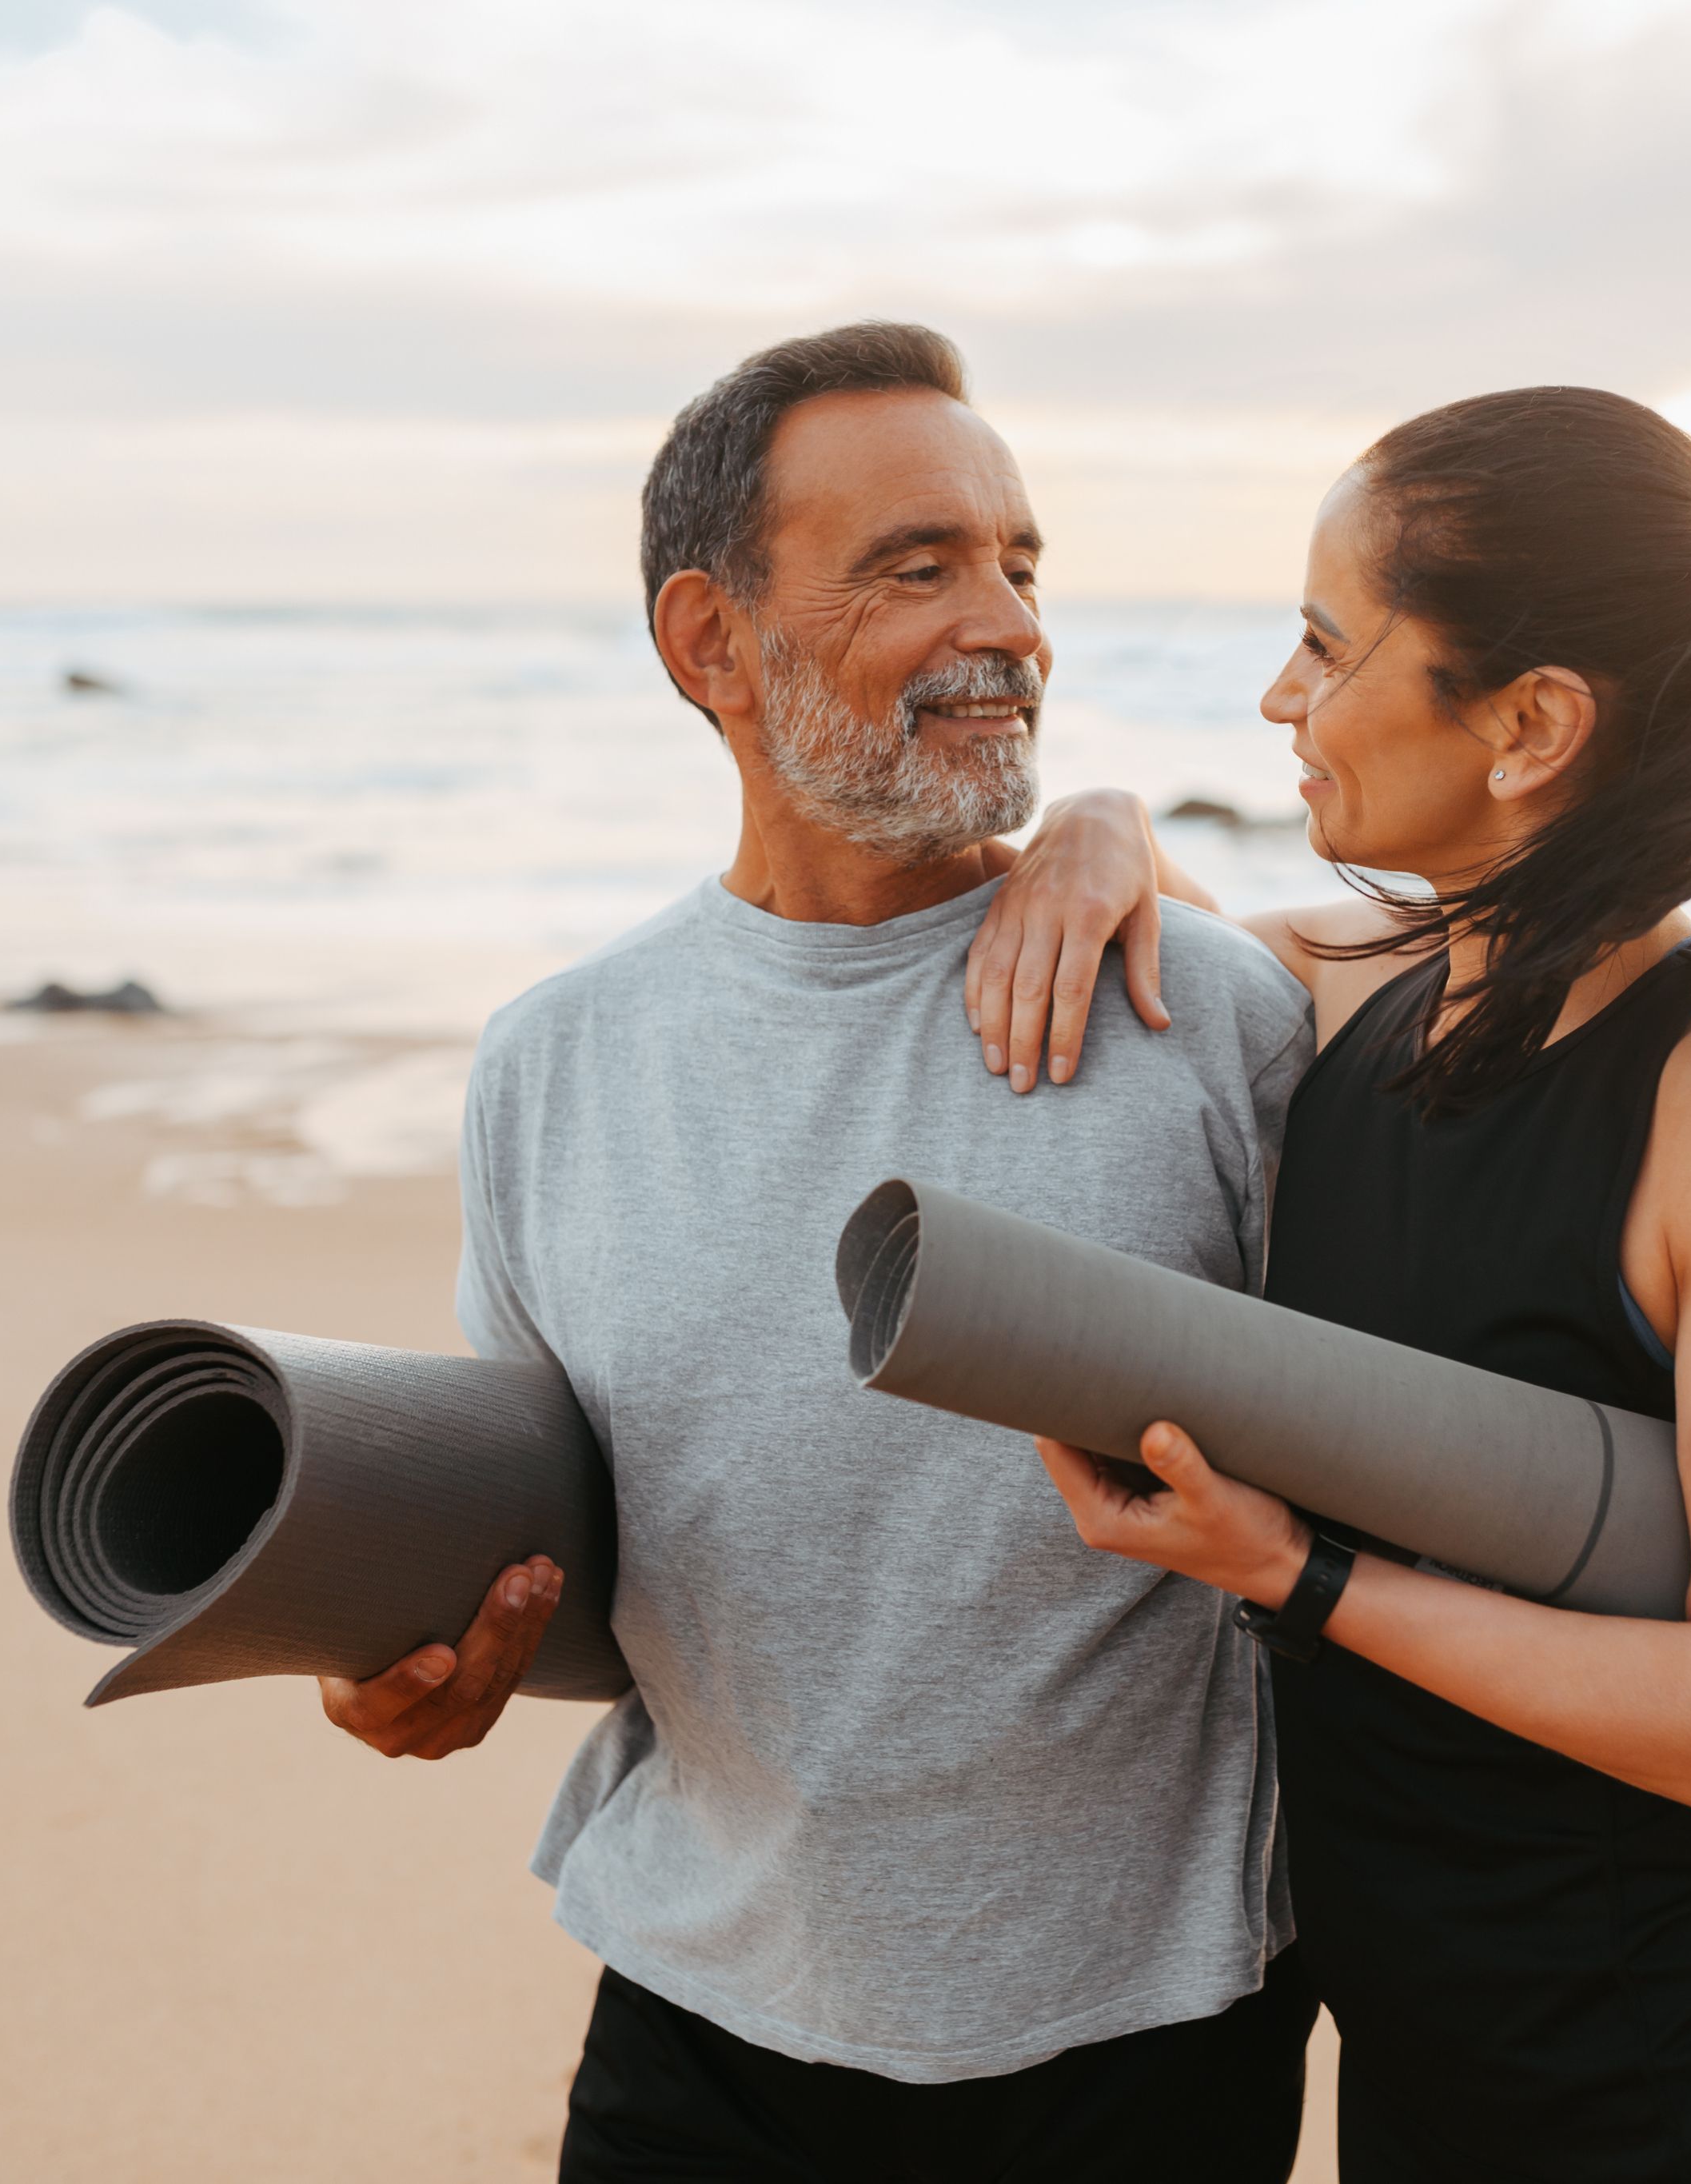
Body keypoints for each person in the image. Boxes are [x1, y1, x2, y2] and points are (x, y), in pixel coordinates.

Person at [313, 322, 1321, 2181]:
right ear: (712, 642)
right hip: (702, 2020)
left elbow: (1377, 1495)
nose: (1009, 624)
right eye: (916, 565)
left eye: (1021, 564)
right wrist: (430, 1660)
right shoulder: (554, 1063)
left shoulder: (1206, 1015)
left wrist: (1126, 833)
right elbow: (576, 1554)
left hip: (1134, 2041)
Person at [967, 387, 1691, 2181]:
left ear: (1527, 726)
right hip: (1418, 2076)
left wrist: (1300, 1574)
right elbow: (1182, 929)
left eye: (1326, 647)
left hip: (1687, 2091)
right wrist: (1093, 817)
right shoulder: (1378, 983)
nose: (1279, 699)